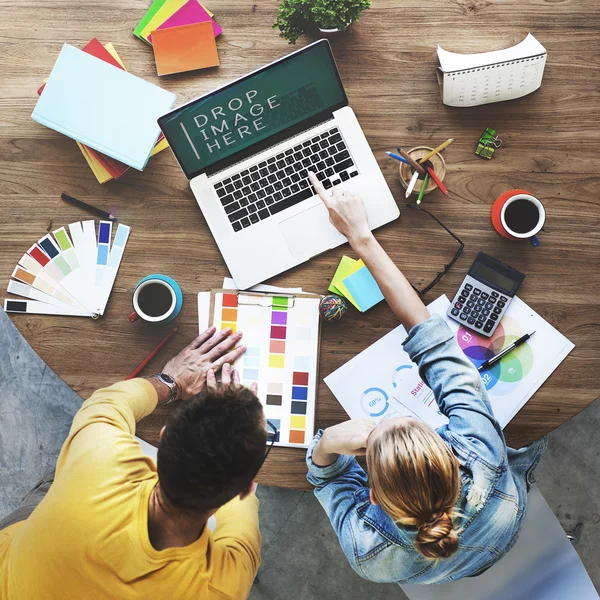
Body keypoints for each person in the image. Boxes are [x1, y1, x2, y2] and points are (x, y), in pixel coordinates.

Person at [305, 172, 548, 584]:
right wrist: (360, 236)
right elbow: (431, 340)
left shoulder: (368, 555)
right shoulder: (482, 454)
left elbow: (325, 480)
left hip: (484, 538)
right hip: (502, 523)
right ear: (455, 456)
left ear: (372, 496)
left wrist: (326, 445)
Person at [0, 326, 270, 599]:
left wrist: (172, 381)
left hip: (12, 575)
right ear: (245, 490)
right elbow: (242, 532)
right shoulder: (223, 586)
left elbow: (107, 403)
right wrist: (244, 435)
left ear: (164, 439)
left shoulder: (96, 461)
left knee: (57, 481)